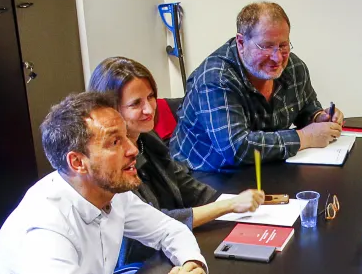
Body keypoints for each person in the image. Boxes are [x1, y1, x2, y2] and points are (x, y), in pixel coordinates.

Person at [0, 92, 211, 274]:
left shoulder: (110, 190)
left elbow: (170, 230)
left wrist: (190, 268)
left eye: (126, 136)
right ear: (78, 162)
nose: (133, 150)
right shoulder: (44, 231)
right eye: (115, 142)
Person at [88, 56, 264, 230]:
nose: (149, 109)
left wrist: (236, 201)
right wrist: (228, 206)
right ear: (111, 109)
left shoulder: (148, 139)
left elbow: (187, 187)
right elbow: (151, 225)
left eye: (150, 97)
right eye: (136, 104)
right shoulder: (109, 166)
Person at [170, 1, 343, 171]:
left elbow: (305, 108)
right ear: (241, 42)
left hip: (265, 167)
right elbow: (236, 148)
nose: (278, 58)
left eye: (283, 45)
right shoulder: (216, 78)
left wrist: (318, 117)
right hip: (204, 175)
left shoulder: (293, 67)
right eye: (266, 46)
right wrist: (305, 137)